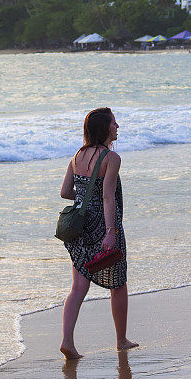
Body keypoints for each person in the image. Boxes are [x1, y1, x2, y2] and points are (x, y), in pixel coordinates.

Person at [60, 107, 138, 359]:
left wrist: (85, 198)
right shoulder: (111, 158)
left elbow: (65, 192)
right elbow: (107, 197)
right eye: (114, 123)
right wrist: (110, 231)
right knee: (118, 282)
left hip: (80, 225)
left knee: (78, 287)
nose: (118, 127)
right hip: (103, 223)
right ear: (105, 128)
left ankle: (68, 341)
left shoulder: (77, 156)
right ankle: (121, 340)